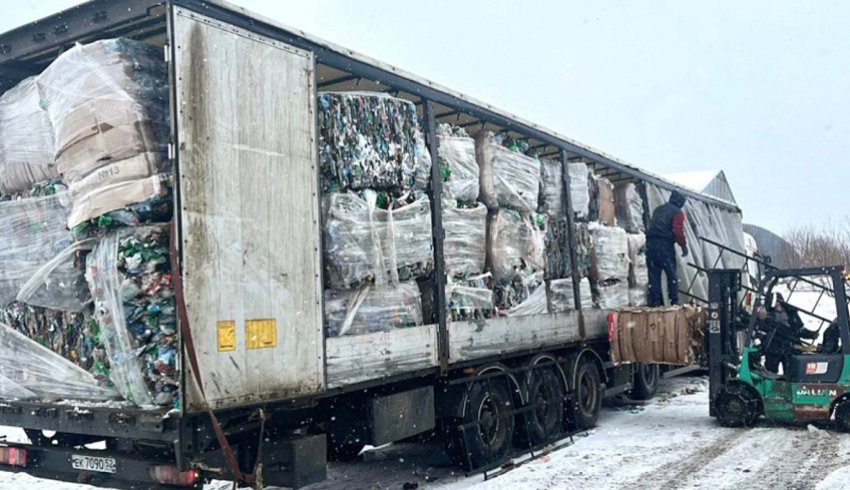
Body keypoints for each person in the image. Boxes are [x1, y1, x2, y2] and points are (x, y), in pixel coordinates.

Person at [646, 190, 688, 306]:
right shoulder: (677, 213)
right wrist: (683, 246)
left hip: (650, 243)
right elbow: (677, 230)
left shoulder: (658, 209)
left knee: (654, 273)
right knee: (671, 274)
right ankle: (674, 301)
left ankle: (655, 301)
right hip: (664, 244)